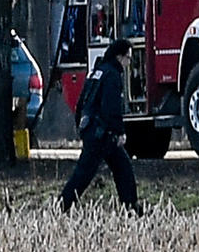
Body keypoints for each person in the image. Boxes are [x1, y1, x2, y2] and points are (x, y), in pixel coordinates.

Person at [59, 38, 141, 214]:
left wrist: (81, 129)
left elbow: (81, 103)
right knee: (85, 174)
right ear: (119, 57)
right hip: (103, 133)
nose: (129, 63)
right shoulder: (112, 75)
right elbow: (111, 107)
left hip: (92, 129)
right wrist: (119, 132)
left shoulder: (97, 72)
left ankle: (131, 207)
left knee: (122, 168)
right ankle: (62, 205)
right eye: (128, 58)